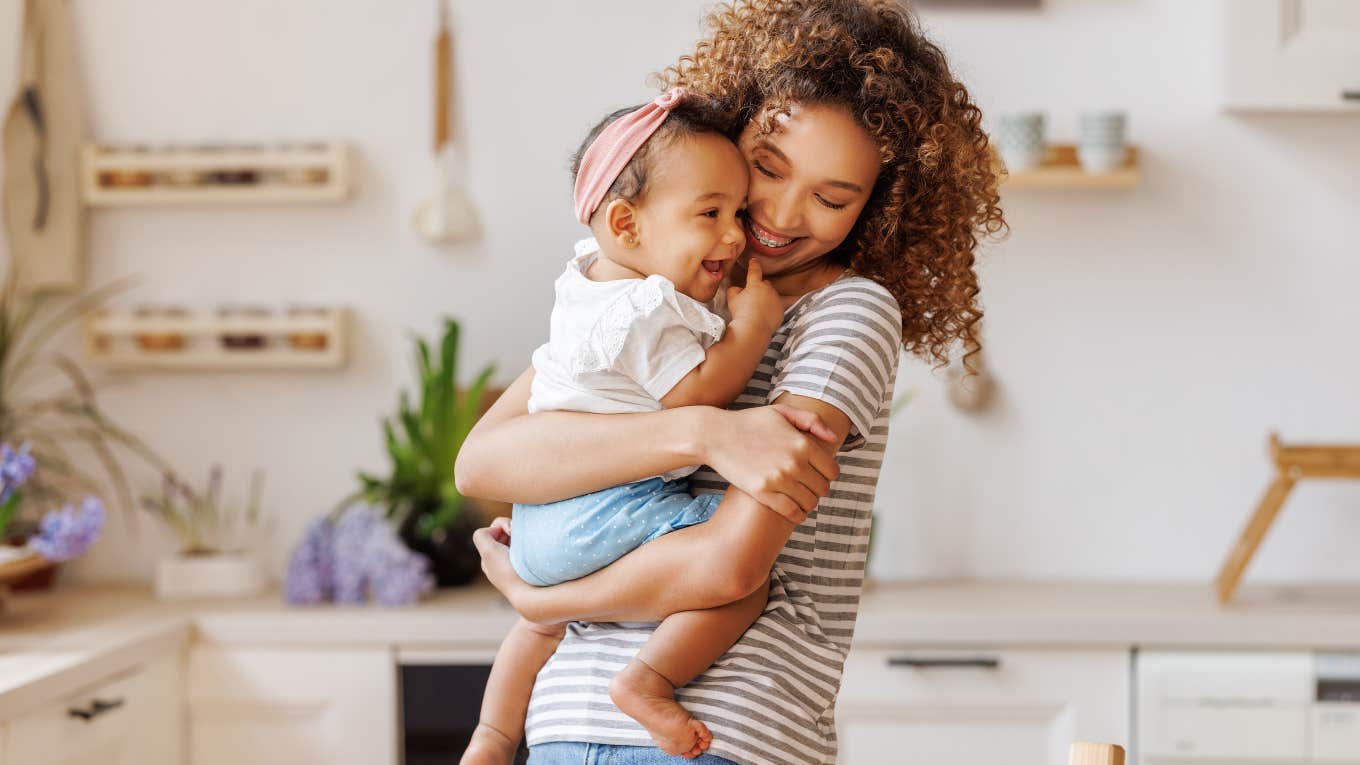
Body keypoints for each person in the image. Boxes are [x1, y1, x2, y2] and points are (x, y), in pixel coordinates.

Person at [458, 1, 1005, 763]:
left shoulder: (848, 312)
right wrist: (705, 429)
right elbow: (482, 462)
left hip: (717, 728)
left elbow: (727, 563)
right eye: (768, 168)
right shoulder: (657, 291)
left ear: (877, 206)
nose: (779, 214)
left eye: (833, 197)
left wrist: (538, 599)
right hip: (568, 722)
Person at [464, 89, 790, 763]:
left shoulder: (585, 285)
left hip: (541, 521)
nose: (734, 236)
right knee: (745, 572)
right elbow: (699, 393)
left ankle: (494, 735)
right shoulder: (646, 308)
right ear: (626, 223)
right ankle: (649, 678)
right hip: (606, 510)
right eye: (710, 214)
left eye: (737, 212)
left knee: (538, 621)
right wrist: (755, 325)